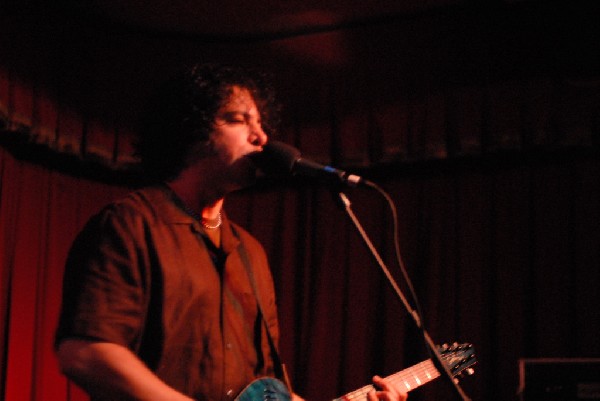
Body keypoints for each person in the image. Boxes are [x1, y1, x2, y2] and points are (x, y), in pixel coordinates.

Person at [54, 63, 408, 401]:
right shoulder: (131, 225)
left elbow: (269, 389)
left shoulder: (249, 252)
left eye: (260, 123)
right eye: (238, 120)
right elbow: (84, 353)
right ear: (192, 130)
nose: (262, 137)